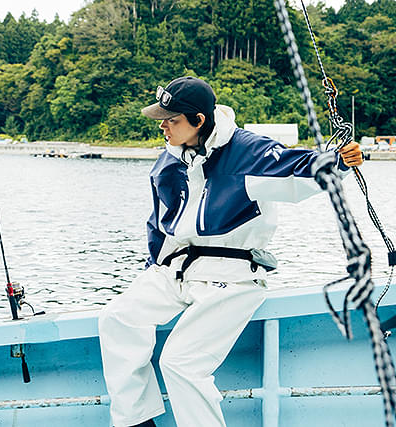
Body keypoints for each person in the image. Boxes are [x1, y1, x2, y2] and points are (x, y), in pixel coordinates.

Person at [98, 76, 363, 427]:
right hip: (175, 268)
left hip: (233, 275)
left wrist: (339, 161)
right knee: (117, 319)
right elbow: (159, 223)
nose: (162, 125)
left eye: (171, 119)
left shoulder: (247, 151)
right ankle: (135, 422)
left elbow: (296, 169)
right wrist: (154, 265)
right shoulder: (168, 162)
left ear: (198, 120)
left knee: (181, 362)